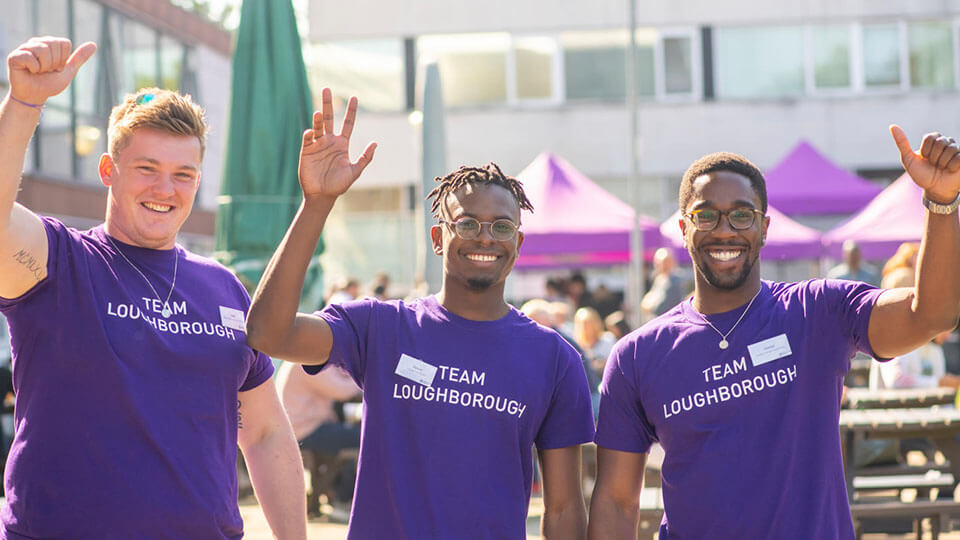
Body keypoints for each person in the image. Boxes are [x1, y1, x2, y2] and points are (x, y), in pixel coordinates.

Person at [245, 89, 595, 539]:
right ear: (437, 237)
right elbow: (269, 335)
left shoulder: (554, 358)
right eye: (466, 223)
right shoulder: (380, 327)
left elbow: (564, 509)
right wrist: (317, 204)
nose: (484, 237)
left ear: (518, 244)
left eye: (502, 227)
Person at [588, 126, 960, 540]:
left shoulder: (816, 312)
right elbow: (616, 502)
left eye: (742, 215)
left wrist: (941, 203)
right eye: (706, 215)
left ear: (764, 228)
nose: (725, 229)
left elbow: (929, 316)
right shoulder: (637, 357)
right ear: (683, 227)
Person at [0, 37, 305, 538]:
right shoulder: (61, 263)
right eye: (147, 169)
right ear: (108, 170)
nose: (166, 189)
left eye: (183, 175)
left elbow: (267, 431)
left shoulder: (225, 289)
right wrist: (25, 104)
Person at [277, 361, 362, 511]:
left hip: (298, 428)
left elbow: (338, 378)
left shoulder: (299, 357)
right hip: (304, 430)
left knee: (350, 435)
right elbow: (341, 390)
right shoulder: (306, 362)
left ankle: (334, 494)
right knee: (364, 439)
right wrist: (368, 380)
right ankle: (342, 499)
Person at [639, 247, 688, 321]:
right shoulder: (659, 279)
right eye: (657, 262)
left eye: (664, 262)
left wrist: (649, 305)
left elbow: (661, 307)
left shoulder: (675, 281)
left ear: (671, 262)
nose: (660, 265)